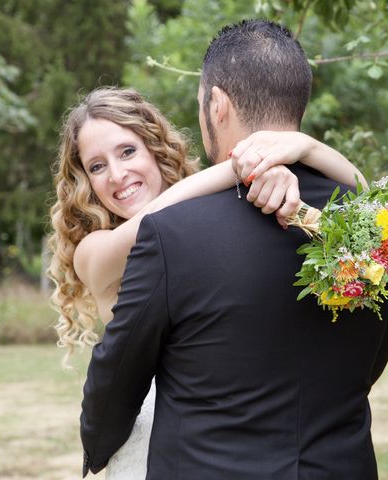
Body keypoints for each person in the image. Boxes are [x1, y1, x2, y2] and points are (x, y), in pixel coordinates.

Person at [80, 19, 388, 480]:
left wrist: (97, 450)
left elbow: (114, 383)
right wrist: (306, 152)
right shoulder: (382, 230)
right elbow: (369, 367)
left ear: (217, 106)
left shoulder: (172, 235)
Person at [48, 87, 367, 478]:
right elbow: (153, 224)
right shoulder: (93, 252)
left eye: (127, 151)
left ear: (155, 148)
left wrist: (305, 148)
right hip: (157, 446)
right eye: (96, 166)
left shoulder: (209, 212)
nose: (116, 175)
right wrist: (247, 164)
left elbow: (365, 196)